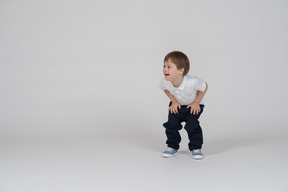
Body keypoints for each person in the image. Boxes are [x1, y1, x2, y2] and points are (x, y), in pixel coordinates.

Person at [159, 51, 208, 159]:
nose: (165, 69)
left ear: (181, 70)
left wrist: (196, 102)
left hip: (193, 106)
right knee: (171, 124)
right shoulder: (166, 81)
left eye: (169, 67)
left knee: (192, 125)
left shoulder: (192, 82)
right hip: (177, 105)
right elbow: (165, 89)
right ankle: (172, 146)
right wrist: (174, 101)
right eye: (164, 66)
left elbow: (204, 87)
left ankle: (196, 148)